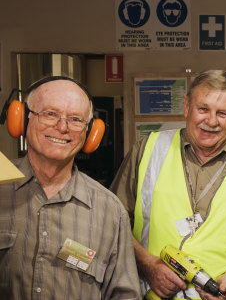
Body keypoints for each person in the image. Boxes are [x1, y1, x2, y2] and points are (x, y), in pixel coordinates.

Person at [110, 70, 226, 300]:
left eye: (222, 113)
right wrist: (148, 265)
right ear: (186, 106)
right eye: (203, 109)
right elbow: (112, 221)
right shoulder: (147, 151)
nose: (211, 121)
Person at [0, 76, 140, 299]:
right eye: (50, 114)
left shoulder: (110, 211)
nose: (62, 127)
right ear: (22, 119)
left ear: (91, 133)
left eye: (75, 119)